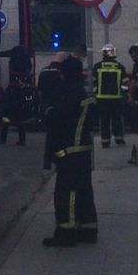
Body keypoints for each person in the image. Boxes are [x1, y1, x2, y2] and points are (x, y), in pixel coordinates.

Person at [41, 52, 98, 247]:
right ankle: (88, 229)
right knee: (84, 191)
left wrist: (48, 111)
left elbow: (57, 118)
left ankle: (66, 232)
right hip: (82, 151)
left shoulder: (69, 95)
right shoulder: (83, 93)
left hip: (69, 152)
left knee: (67, 192)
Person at [0, 45, 34, 146]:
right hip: (23, 92)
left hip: (13, 91)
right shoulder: (27, 62)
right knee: (20, 116)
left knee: (6, 113)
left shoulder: (14, 60)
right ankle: (22, 139)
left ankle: (3, 137)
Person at [92, 44, 127, 147]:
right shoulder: (120, 66)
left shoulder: (97, 66)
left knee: (104, 120)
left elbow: (94, 81)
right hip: (116, 98)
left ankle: (105, 142)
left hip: (101, 99)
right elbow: (125, 83)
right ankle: (119, 139)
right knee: (117, 120)